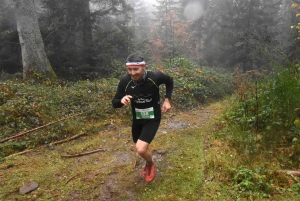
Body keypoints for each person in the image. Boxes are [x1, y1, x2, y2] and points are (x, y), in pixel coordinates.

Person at [112, 53, 174, 183]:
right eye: (129, 70)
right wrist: (121, 100)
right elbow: (115, 102)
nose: (132, 73)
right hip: (138, 119)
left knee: (140, 148)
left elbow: (169, 80)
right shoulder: (125, 81)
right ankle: (147, 161)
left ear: (144, 66)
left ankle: (150, 164)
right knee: (142, 147)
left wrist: (167, 99)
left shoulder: (155, 76)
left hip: (153, 117)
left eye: (136, 69)